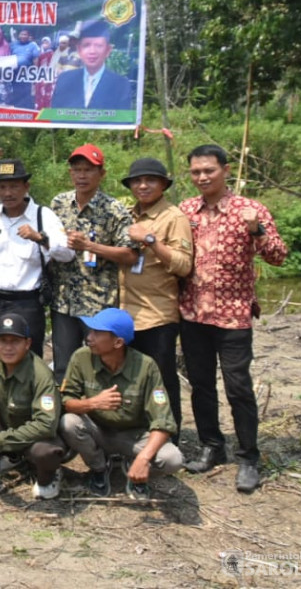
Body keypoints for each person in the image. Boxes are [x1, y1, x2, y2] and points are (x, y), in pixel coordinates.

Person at [179, 144, 287, 493]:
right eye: (196, 172)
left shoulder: (250, 210)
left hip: (234, 315)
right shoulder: (186, 211)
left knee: (238, 386)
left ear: (226, 170)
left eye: (208, 170)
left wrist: (257, 231)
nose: (202, 177)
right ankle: (212, 446)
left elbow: (278, 256)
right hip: (192, 313)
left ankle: (248, 457)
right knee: (200, 384)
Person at [59, 308, 183, 499]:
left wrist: (143, 458)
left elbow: (163, 421)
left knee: (172, 459)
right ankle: (100, 468)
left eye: (97, 333)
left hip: (133, 437)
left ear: (118, 342)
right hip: (97, 431)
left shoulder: (146, 366)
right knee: (68, 422)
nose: (89, 337)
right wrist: (93, 403)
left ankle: (133, 467)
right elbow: (66, 402)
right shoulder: (81, 357)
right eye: (90, 331)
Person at [0, 159, 73, 359]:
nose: (8, 193)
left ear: (26, 186)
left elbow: (67, 253)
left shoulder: (43, 216)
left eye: (14, 186)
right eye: (2, 187)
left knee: (28, 360)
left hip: (27, 303)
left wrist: (40, 238)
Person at [48, 144, 138, 385]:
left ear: (102, 174)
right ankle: (65, 416)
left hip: (98, 302)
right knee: (63, 366)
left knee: (100, 364)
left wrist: (90, 246)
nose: (81, 175)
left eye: (88, 170)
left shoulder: (114, 210)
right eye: (76, 170)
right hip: (63, 301)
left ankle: (102, 415)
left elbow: (130, 255)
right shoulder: (59, 204)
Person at [120, 157, 193, 431]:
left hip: (157, 315)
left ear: (163, 184)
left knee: (161, 380)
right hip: (126, 314)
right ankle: (139, 433)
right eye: (137, 181)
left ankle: (169, 434)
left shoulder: (173, 218)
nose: (142, 185)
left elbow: (184, 265)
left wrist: (151, 240)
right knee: (132, 379)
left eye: (150, 180)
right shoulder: (127, 214)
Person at [0, 314, 65, 500]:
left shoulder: (40, 374)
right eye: (2, 340)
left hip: (33, 435)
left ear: (27, 343)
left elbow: (45, 424)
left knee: (46, 453)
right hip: (5, 422)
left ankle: (49, 476)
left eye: (15, 341)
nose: (8, 347)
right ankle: (9, 458)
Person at [49, 20, 133, 110]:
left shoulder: (121, 84)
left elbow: (123, 119)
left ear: (108, 50)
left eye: (98, 45)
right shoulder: (64, 80)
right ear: (79, 50)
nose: (92, 51)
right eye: (86, 45)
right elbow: (56, 115)